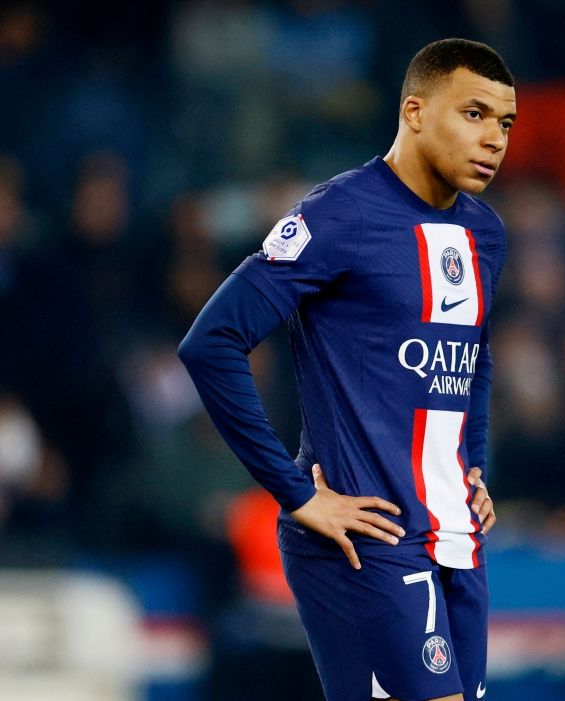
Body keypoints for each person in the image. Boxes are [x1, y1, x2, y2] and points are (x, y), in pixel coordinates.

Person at [179, 38, 514, 701]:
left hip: (455, 536)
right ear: (414, 111)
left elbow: (472, 358)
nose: (495, 140)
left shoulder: (486, 233)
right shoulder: (339, 213)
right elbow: (211, 342)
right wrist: (296, 493)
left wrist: (471, 468)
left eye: (505, 123)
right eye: (474, 114)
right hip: (369, 535)